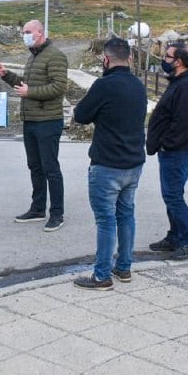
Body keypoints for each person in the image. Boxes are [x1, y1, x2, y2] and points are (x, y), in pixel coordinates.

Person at [71, 38, 147, 290]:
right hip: (134, 163)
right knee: (126, 215)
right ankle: (124, 268)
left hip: (107, 164)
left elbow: (80, 115)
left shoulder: (103, 86)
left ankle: (102, 275)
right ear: (130, 59)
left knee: (105, 221)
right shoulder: (138, 86)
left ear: (105, 59)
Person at [0, 19, 68, 232]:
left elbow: (59, 87)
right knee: (35, 167)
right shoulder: (33, 56)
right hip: (31, 120)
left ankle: (57, 213)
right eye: (23, 32)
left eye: (27, 32)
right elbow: (27, 85)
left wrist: (30, 93)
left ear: (40, 32)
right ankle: (37, 208)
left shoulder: (55, 56)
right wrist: (5, 74)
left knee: (50, 168)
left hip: (48, 121)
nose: (24, 35)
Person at [146, 41, 188, 260]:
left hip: (179, 150)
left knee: (173, 195)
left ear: (178, 61)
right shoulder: (178, 82)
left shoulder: (186, 86)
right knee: (170, 195)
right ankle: (175, 236)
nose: (164, 60)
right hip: (174, 150)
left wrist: (165, 143)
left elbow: (183, 124)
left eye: (168, 57)